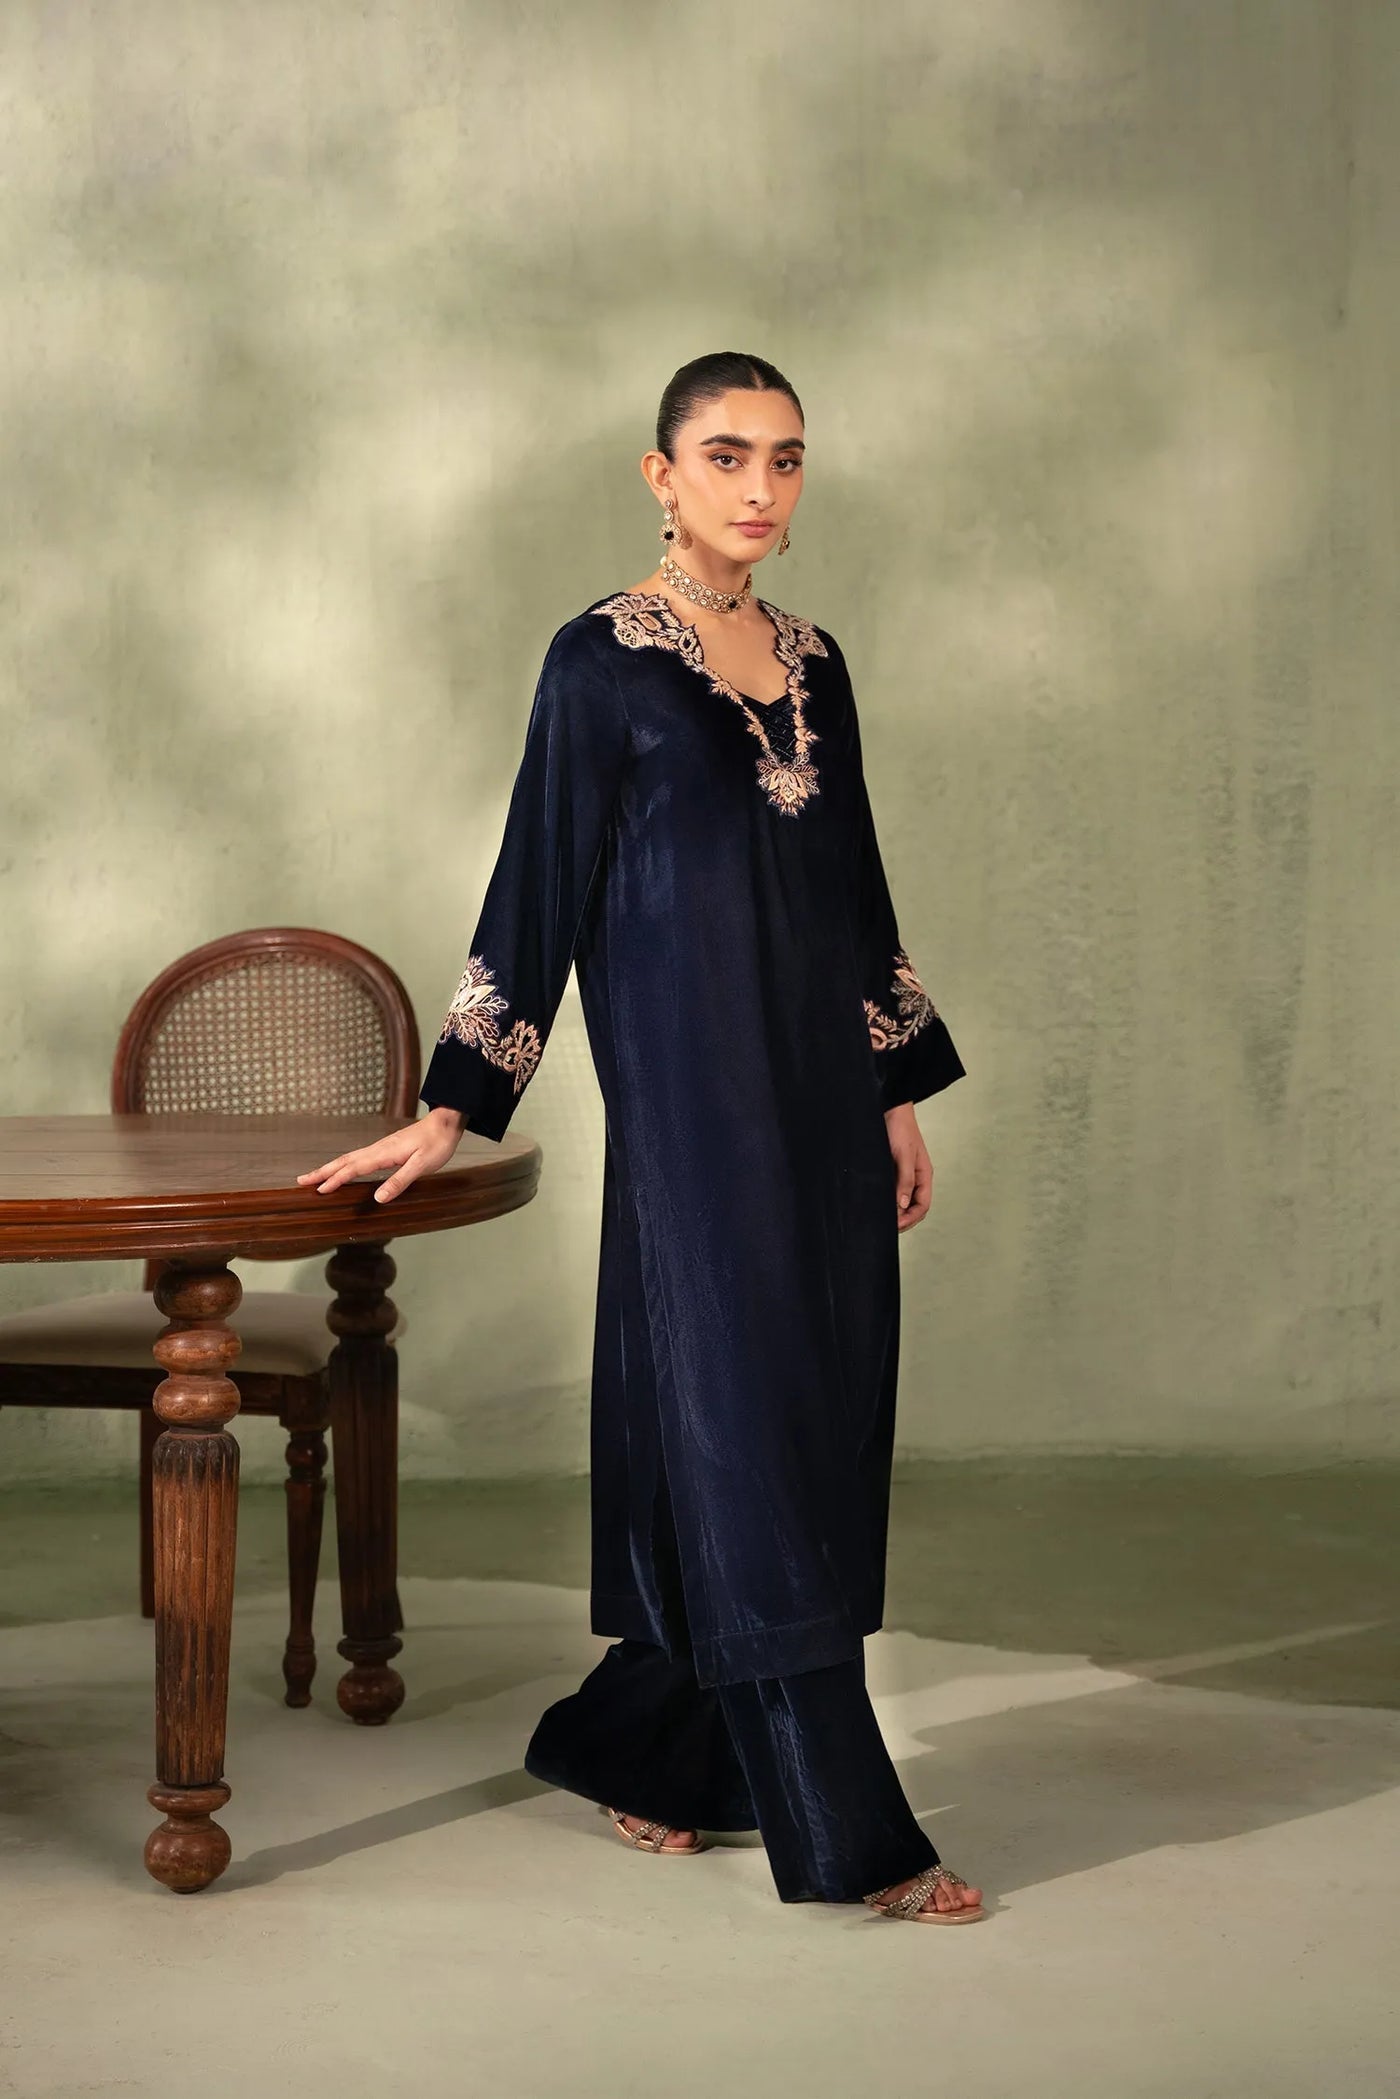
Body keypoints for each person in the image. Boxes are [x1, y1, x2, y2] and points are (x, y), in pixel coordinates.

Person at [298, 351, 985, 1924]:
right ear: (660, 476)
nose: (761, 486)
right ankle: (854, 1835)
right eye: (727, 455)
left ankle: (638, 1743)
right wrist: (452, 1101)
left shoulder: (816, 661)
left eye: (787, 458)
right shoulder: (600, 663)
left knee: (795, 1427)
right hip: (696, 1120)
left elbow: (854, 891)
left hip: (826, 1106)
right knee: (747, 1428)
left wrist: (891, 1090)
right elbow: (537, 884)